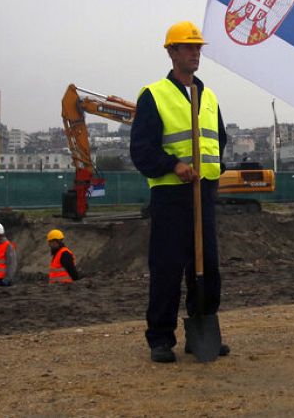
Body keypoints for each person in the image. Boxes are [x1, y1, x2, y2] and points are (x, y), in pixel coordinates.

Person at [129, 21, 230, 364]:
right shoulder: (154, 95)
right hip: (171, 196)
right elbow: (142, 150)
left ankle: (202, 328)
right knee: (167, 268)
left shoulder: (208, 95)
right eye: (187, 47)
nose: (194, 52)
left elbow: (219, 141)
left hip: (204, 195)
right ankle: (160, 338)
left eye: (198, 47)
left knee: (207, 267)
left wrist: (215, 173)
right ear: (171, 52)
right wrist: (174, 165)